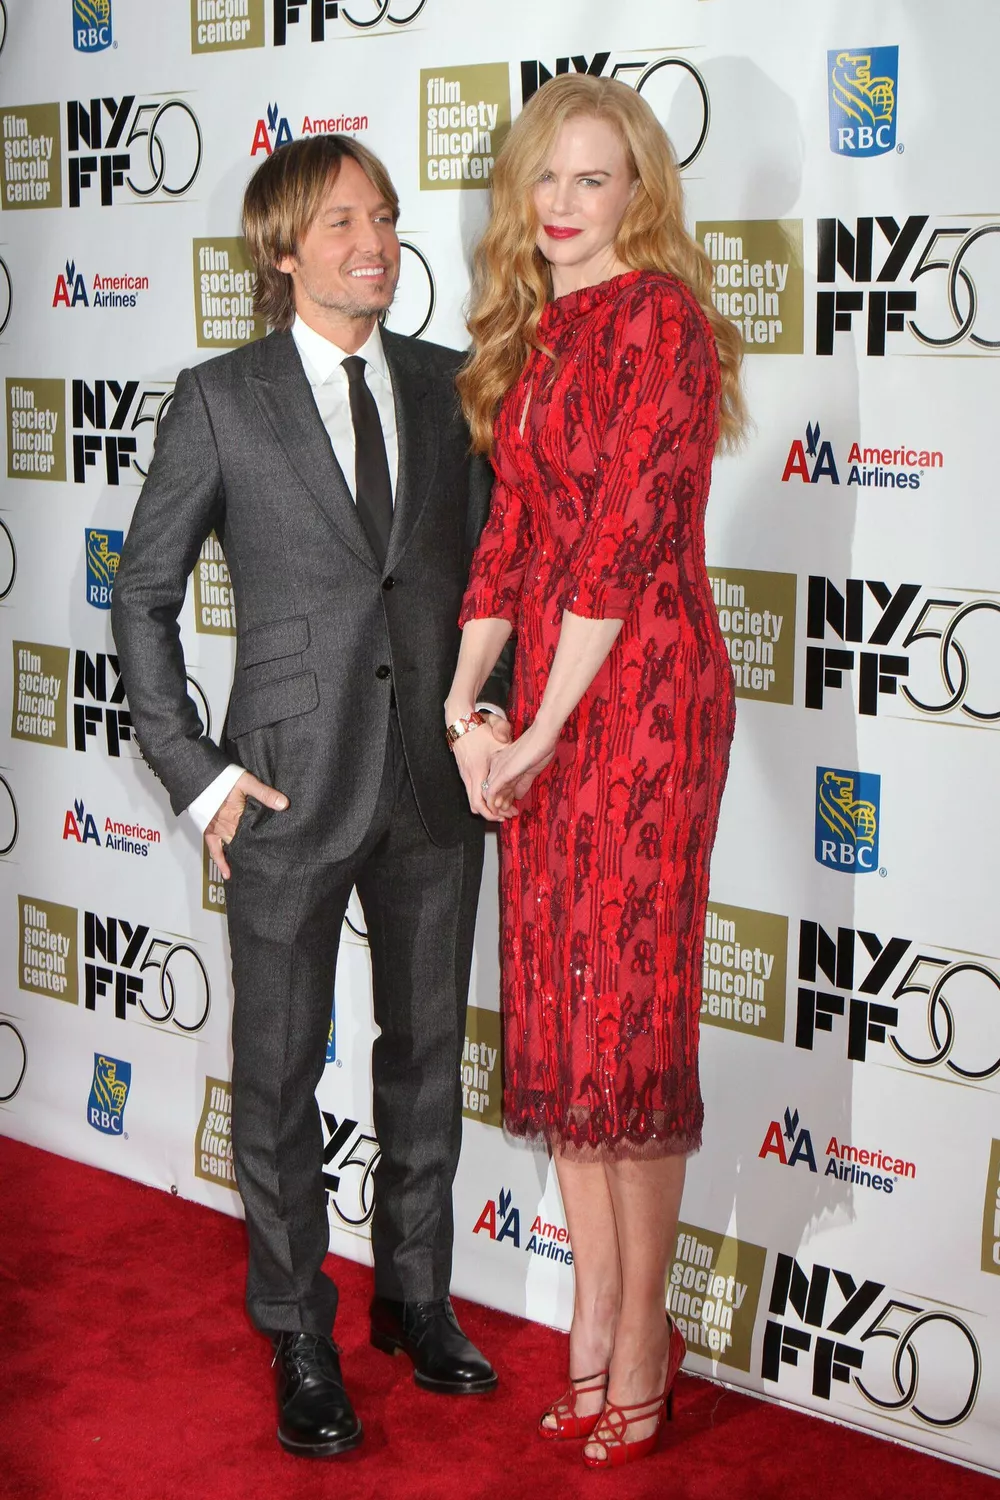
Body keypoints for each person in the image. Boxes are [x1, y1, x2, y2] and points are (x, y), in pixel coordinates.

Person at [111, 134, 511, 1459]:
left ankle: (413, 1297)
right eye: (342, 222)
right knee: (278, 1074)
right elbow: (143, 598)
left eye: (384, 218)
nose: (375, 243)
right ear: (283, 250)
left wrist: (491, 710)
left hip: (433, 784)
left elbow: (493, 576)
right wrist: (198, 774)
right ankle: (297, 1330)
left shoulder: (451, 386)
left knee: (427, 1054)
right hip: (281, 787)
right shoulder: (220, 399)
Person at [445, 75, 746, 1469]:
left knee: (627, 1020)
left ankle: (640, 1341)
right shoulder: (535, 332)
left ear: (640, 195)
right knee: (565, 1022)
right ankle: (596, 1317)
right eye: (545, 178)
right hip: (548, 709)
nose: (561, 204)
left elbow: (621, 545)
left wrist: (542, 727)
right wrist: (467, 705)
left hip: (644, 700)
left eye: (593, 179)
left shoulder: (662, 322)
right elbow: (511, 537)